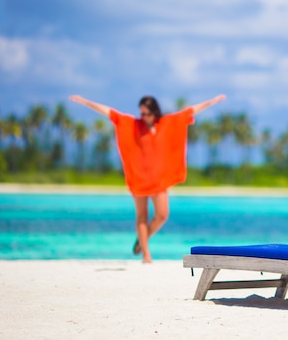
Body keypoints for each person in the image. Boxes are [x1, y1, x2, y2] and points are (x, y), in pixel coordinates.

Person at [69, 93, 226, 263]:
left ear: (155, 112)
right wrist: (85, 101)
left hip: (158, 180)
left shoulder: (166, 123)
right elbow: (111, 113)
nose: (144, 117)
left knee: (162, 215)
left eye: (147, 114)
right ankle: (146, 254)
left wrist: (213, 101)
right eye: (142, 113)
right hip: (139, 178)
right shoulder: (134, 125)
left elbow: (190, 111)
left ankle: (143, 239)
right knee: (141, 216)